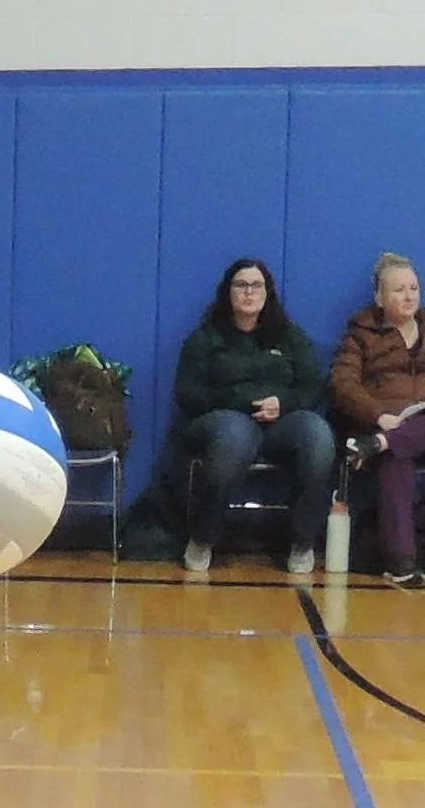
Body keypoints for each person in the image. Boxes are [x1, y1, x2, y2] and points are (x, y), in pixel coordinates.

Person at [173, 257, 331, 576]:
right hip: (221, 421)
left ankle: (302, 543)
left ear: (267, 292)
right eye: (241, 285)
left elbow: (313, 386)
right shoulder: (205, 338)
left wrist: (283, 403)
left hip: (280, 423)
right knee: (234, 436)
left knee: (318, 435)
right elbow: (187, 393)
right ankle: (203, 537)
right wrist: (237, 401)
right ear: (227, 292)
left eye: (256, 285)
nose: (249, 292)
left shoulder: (289, 336)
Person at [332, 252, 425, 589]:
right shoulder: (361, 334)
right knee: (395, 459)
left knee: (394, 444)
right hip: (383, 422)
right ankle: (401, 564)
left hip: (416, 422)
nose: (409, 296)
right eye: (399, 290)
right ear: (380, 298)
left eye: (414, 288)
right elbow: (343, 384)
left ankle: (379, 445)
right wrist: (378, 416)